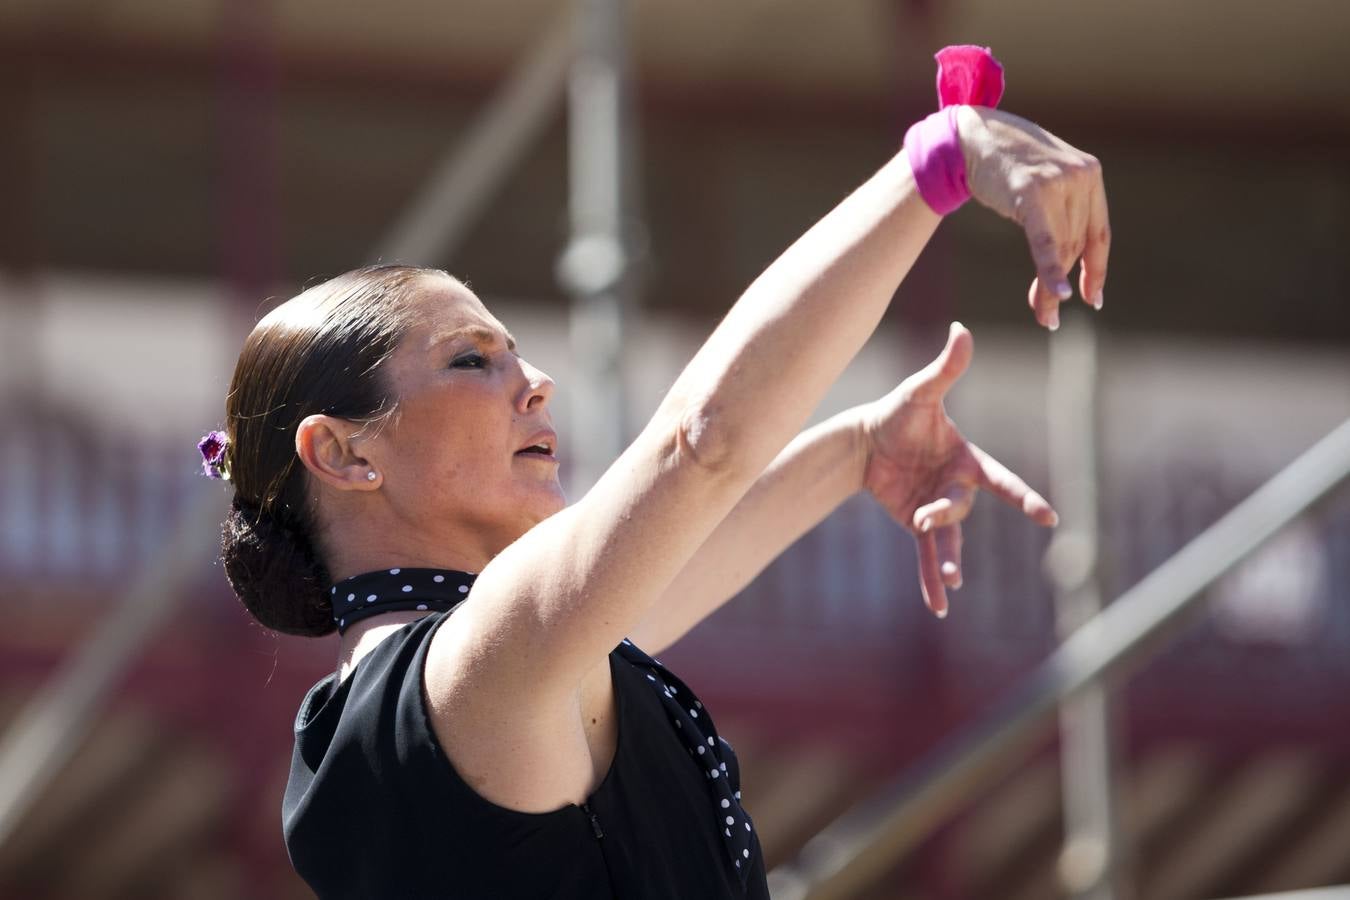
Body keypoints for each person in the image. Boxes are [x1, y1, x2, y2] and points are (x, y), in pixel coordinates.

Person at [205, 101, 1107, 898]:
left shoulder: (462, 684)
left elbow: (676, 556)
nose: (537, 383)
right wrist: (936, 164)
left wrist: (856, 451)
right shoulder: (465, 681)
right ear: (343, 452)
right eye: (472, 359)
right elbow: (702, 447)